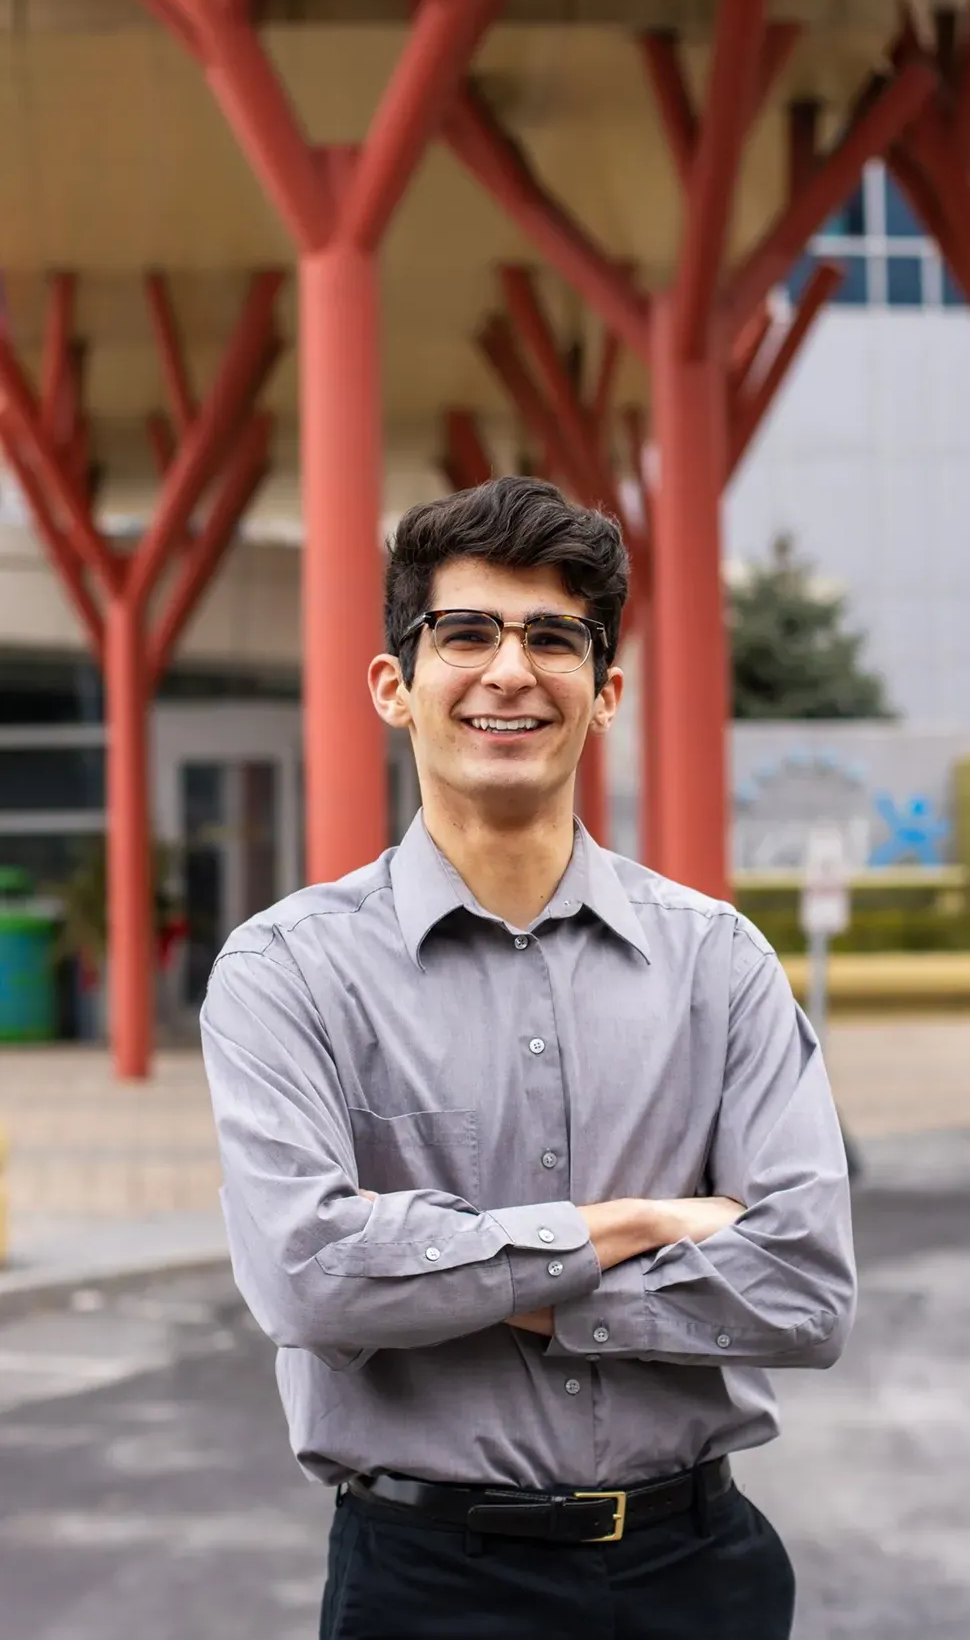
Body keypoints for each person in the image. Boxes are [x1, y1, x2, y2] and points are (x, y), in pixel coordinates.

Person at [200, 477, 857, 1640]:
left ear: (602, 695)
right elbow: (307, 1277)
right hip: (425, 1584)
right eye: (464, 633)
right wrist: (643, 1222)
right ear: (393, 686)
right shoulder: (286, 971)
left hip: (698, 1576)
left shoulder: (718, 964)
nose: (510, 670)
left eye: (552, 637)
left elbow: (803, 1293)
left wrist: (457, 1269)